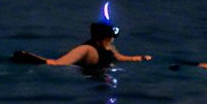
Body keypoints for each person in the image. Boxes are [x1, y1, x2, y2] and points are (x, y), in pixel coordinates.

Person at [13, 13, 151, 70]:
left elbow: (121, 58)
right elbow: (58, 63)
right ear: (105, 36)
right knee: (55, 62)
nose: (113, 39)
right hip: (88, 80)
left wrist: (140, 58)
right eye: (110, 36)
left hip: (101, 79)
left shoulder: (110, 48)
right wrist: (31, 58)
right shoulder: (87, 49)